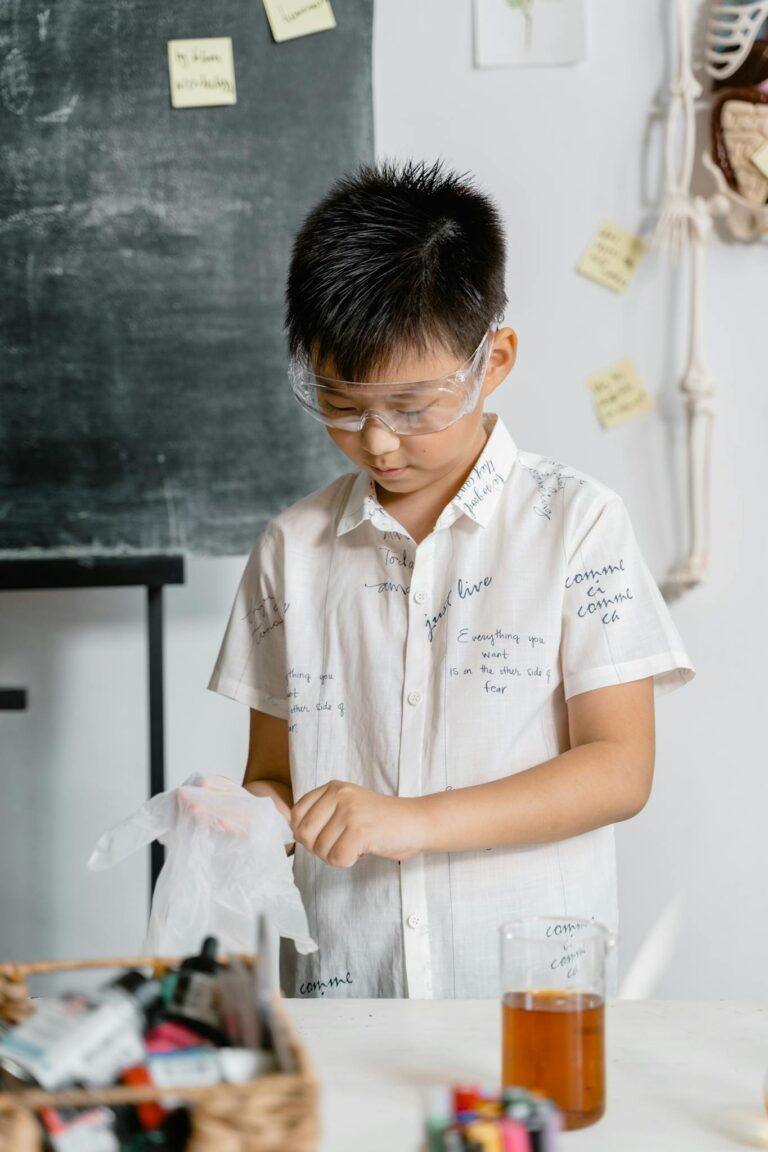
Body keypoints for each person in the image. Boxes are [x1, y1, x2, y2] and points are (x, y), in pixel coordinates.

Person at [208, 159, 694, 999]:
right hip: (346, 988)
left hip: (528, 995)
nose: (378, 441)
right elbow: (274, 775)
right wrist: (248, 819)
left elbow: (620, 769)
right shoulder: (292, 548)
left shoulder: (579, 526)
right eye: (340, 400)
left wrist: (414, 823)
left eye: (413, 407)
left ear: (492, 360)